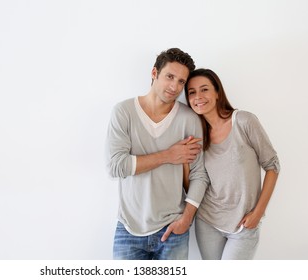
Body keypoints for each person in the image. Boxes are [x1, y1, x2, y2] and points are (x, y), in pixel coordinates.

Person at [105, 48, 209, 260]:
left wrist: (186, 219)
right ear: (154, 73)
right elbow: (116, 166)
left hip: (173, 230)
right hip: (129, 229)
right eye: (169, 77)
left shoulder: (189, 119)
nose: (174, 86)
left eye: (181, 81)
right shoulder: (124, 112)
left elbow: (199, 174)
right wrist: (168, 155)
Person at [184, 68, 280, 260]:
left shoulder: (244, 121)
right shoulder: (198, 136)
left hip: (244, 223)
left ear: (217, 93)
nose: (198, 97)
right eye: (192, 92)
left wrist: (258, 212)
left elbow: (272, 165)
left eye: (204, 90)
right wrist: (184, 162)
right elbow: (193, 185)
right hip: (208, 221)